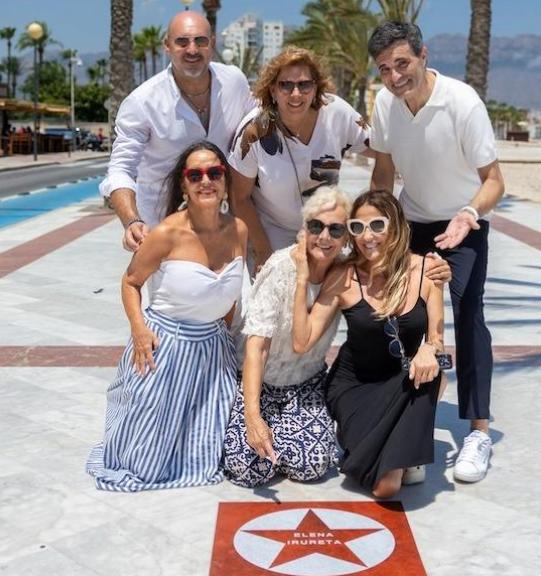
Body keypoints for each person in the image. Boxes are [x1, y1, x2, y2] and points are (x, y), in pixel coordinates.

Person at [368, 21, 505, 483]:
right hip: (412, 222)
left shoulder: (462, 102)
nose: (394, 76)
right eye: (384, 68)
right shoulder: (385, 104)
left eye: (402, 63)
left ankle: (479, 433)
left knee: (467, 315)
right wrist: (378, 225)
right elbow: (383, 171)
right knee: (401, 315)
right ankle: (408, 432)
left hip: (463, 223)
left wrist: (468, 214)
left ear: (423, 55)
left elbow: (495, 181)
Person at [86, 141, 248, 491]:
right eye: (195, 175)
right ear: (183, 185)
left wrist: (223, 336)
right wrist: (139, 331)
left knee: (215, 453)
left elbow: (228, 295)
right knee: (146, 464)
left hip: (212, 354)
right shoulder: (165, 233)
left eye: (215, 172)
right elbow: (131, 282)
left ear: (225, 180)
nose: (206, 181)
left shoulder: (239, 229)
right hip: (164, 349)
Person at [293, 191, 445, 499]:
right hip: (355, 386)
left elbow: (438, 339)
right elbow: (302, 341)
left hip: (402, 380)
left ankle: (403, 447)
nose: (367, 236)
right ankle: (401, 447)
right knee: (386, 488)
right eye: (358, 227)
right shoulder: (345, 276)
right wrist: (301, 279)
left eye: (377, 225)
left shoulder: (426, 272)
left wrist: (429, 348)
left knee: (435, 373)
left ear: (396, 227)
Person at [221, 187, 350, 487]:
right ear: (304, 229)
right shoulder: (280, 268)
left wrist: (430, 270)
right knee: (247, 468)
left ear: (346, 237)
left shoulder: (344, 272)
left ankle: (284, 433)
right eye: (316, 226)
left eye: (335, 229)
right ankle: (271, 430)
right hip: (260, 382)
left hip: (305, 383)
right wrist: (252, 416)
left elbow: (386, 267)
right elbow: (257, 348)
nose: (325, 237)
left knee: (311, 465)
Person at [101, 10, 254, 252]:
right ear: (167, 46)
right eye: (182, 41)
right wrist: (131, 221)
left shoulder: (234, 82)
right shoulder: (142, 102)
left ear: (212, 43)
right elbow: (121, 170)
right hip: (162, 230)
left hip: (225, 225)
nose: (192, 49)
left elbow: (257, 123)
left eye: (200, 41)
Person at [229, 47, 370, 271]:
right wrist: (263, 251)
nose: (296, 94)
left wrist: (373, 212)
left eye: (304, 85)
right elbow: (239, 197)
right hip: (272, 234)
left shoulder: (338, 114)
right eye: (285, 85)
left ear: (316, 88)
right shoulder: (254, 131)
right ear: (272, 90)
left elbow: (382, 149)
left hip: (325, 233)